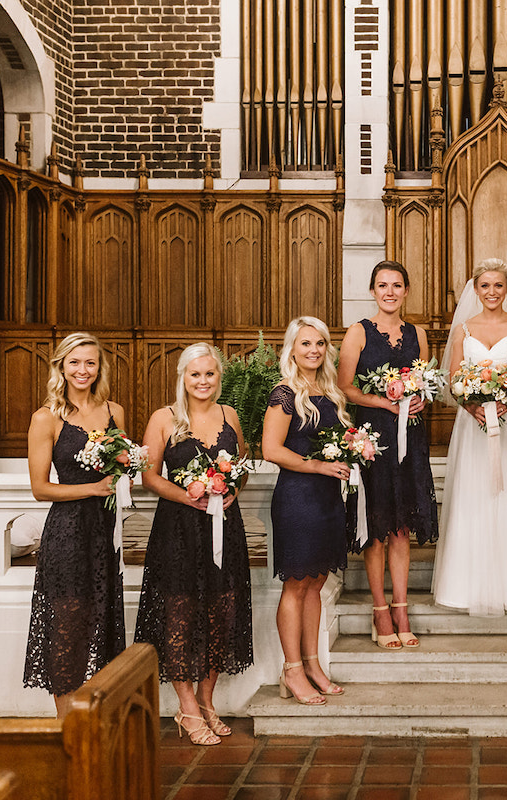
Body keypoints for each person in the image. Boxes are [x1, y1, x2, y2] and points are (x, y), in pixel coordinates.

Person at [134, 343, 254, 745]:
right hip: (179, 529)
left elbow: (242, 466)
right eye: (195, 374)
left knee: (221, 612)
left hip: (224, 526)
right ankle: (186, 710)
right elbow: (148, 476)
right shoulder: (164, 419)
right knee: (181, 614)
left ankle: (207, 702)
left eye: (210, 374)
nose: (203, 382)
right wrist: (186, 494)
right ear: (183, 377)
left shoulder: (230, 416)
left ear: (219, 378)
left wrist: (234, 487)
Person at [432, 259, 507, 616]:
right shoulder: (463, 330)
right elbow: (453, 379)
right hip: (471, 427)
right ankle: (463, 586)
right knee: (474, 495)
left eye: (498, 285)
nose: (492, 292)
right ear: (475, 289)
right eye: (485, 286)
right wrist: (470, 403)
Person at [23, 332, 126, 718]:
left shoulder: (114, 411)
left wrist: (124, 474)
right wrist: (93, 488)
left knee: (103, 620)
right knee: (67, 626)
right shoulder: (45, 417)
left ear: (99, 368)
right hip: (67, 533)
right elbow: (39, 488)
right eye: (75, 362)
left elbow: (119, 469)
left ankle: (99, 720)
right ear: (61, 367)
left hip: (105, 532)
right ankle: (68, 726)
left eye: (90, 363)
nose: (83, 370)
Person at [337, 261, 438, 649]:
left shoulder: (418, 334)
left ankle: (401, 606)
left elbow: (425, 386)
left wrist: (416, 402)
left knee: (401, 528)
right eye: (382, 285)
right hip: (373, 438)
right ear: (372, 290)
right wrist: (385, 401)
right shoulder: (358, 332)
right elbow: (346, 386)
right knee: (377, 526)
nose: (390, 292)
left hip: (410, 440)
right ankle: (380, 611)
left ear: (406, 290)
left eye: (397, 285)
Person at [263, 316, 352, 705]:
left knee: (316, 582)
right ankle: (292, 669)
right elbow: (272, 450)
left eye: (319, 344)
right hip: (298, 498)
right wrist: (318, 466)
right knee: (296, 584)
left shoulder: (329, 390)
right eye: (305, 344)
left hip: (328, 498)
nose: (313, 350)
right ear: (292, 350)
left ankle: (313, 664)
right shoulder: (285, 393)